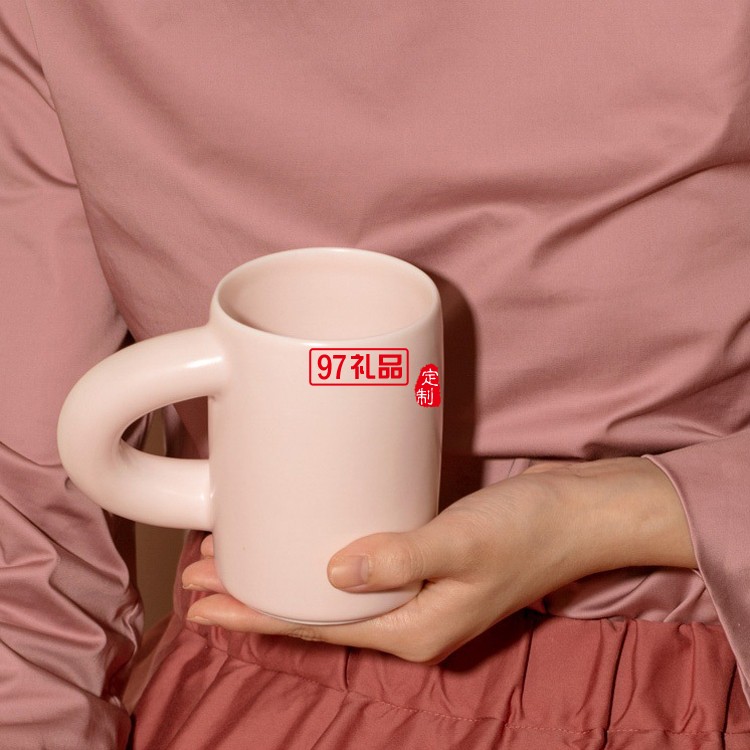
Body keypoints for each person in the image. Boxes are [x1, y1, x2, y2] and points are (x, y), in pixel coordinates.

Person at [2, 1, 749, 747]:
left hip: (676, 685)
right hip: (262, 673)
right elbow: (27, 561)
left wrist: (606, 518)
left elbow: (28, 563)